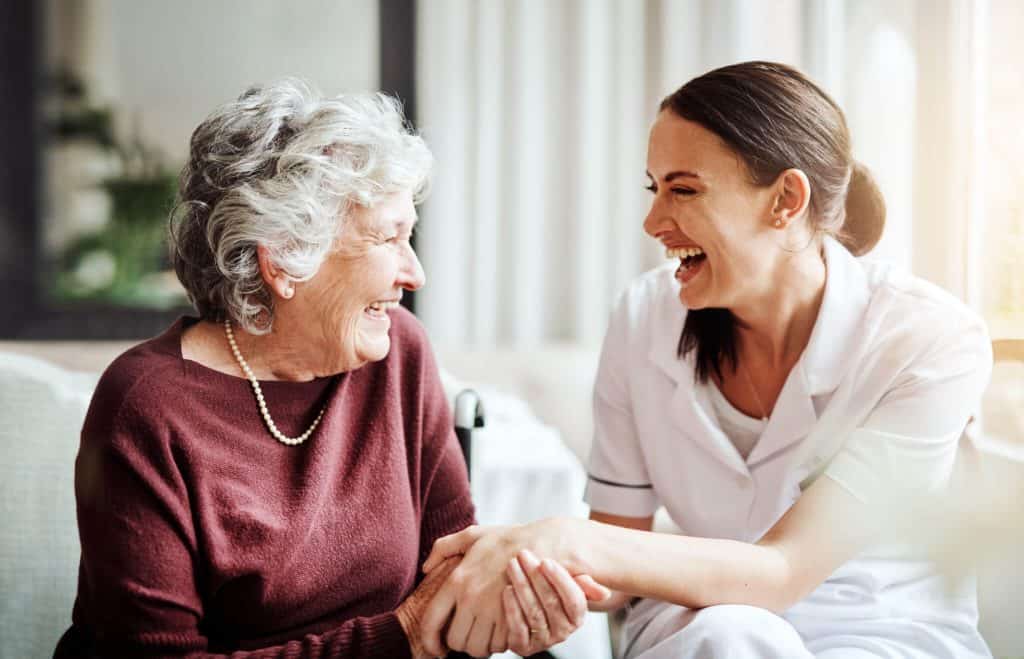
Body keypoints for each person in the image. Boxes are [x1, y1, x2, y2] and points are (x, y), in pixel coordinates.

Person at [418, 61, 994, 658]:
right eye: (655, 187)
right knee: (729, 632)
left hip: (879, 636)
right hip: (702, 631)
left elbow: (783, 571)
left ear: (785, 200)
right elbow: (617, 556)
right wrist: (527, 579)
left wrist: (567, 540)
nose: (653, 222)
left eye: (683, 189)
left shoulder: (927, 340)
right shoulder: (643, 318)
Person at [54, 79, 607, 658]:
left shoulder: (398, 353)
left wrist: (507, 604)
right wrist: (407, 635)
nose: (414, 274)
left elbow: (452, 571)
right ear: (286, 260)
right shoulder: (146, 406)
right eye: (388, 238)